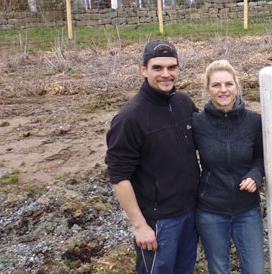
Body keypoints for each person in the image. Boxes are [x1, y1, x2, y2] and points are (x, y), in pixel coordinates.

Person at [105, 40, 199, 274]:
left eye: (172, 67)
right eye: (157, 68)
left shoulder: (184, 104)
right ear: (143, 70)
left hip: (189, 214)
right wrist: (140, 225)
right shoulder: (130, 117)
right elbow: (118, 176)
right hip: (159, 223)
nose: (166, 74)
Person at [192, 60, 265, 274]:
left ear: (236, 86)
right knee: (219, 269)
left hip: (247, 210)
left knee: (255, 269)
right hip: (210, 211)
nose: (223, 90)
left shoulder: (254, 121)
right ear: (208, 89)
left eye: (228, 84)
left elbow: (261, 158)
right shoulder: (197, 123)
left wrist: (255, 175)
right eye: (216, 85)